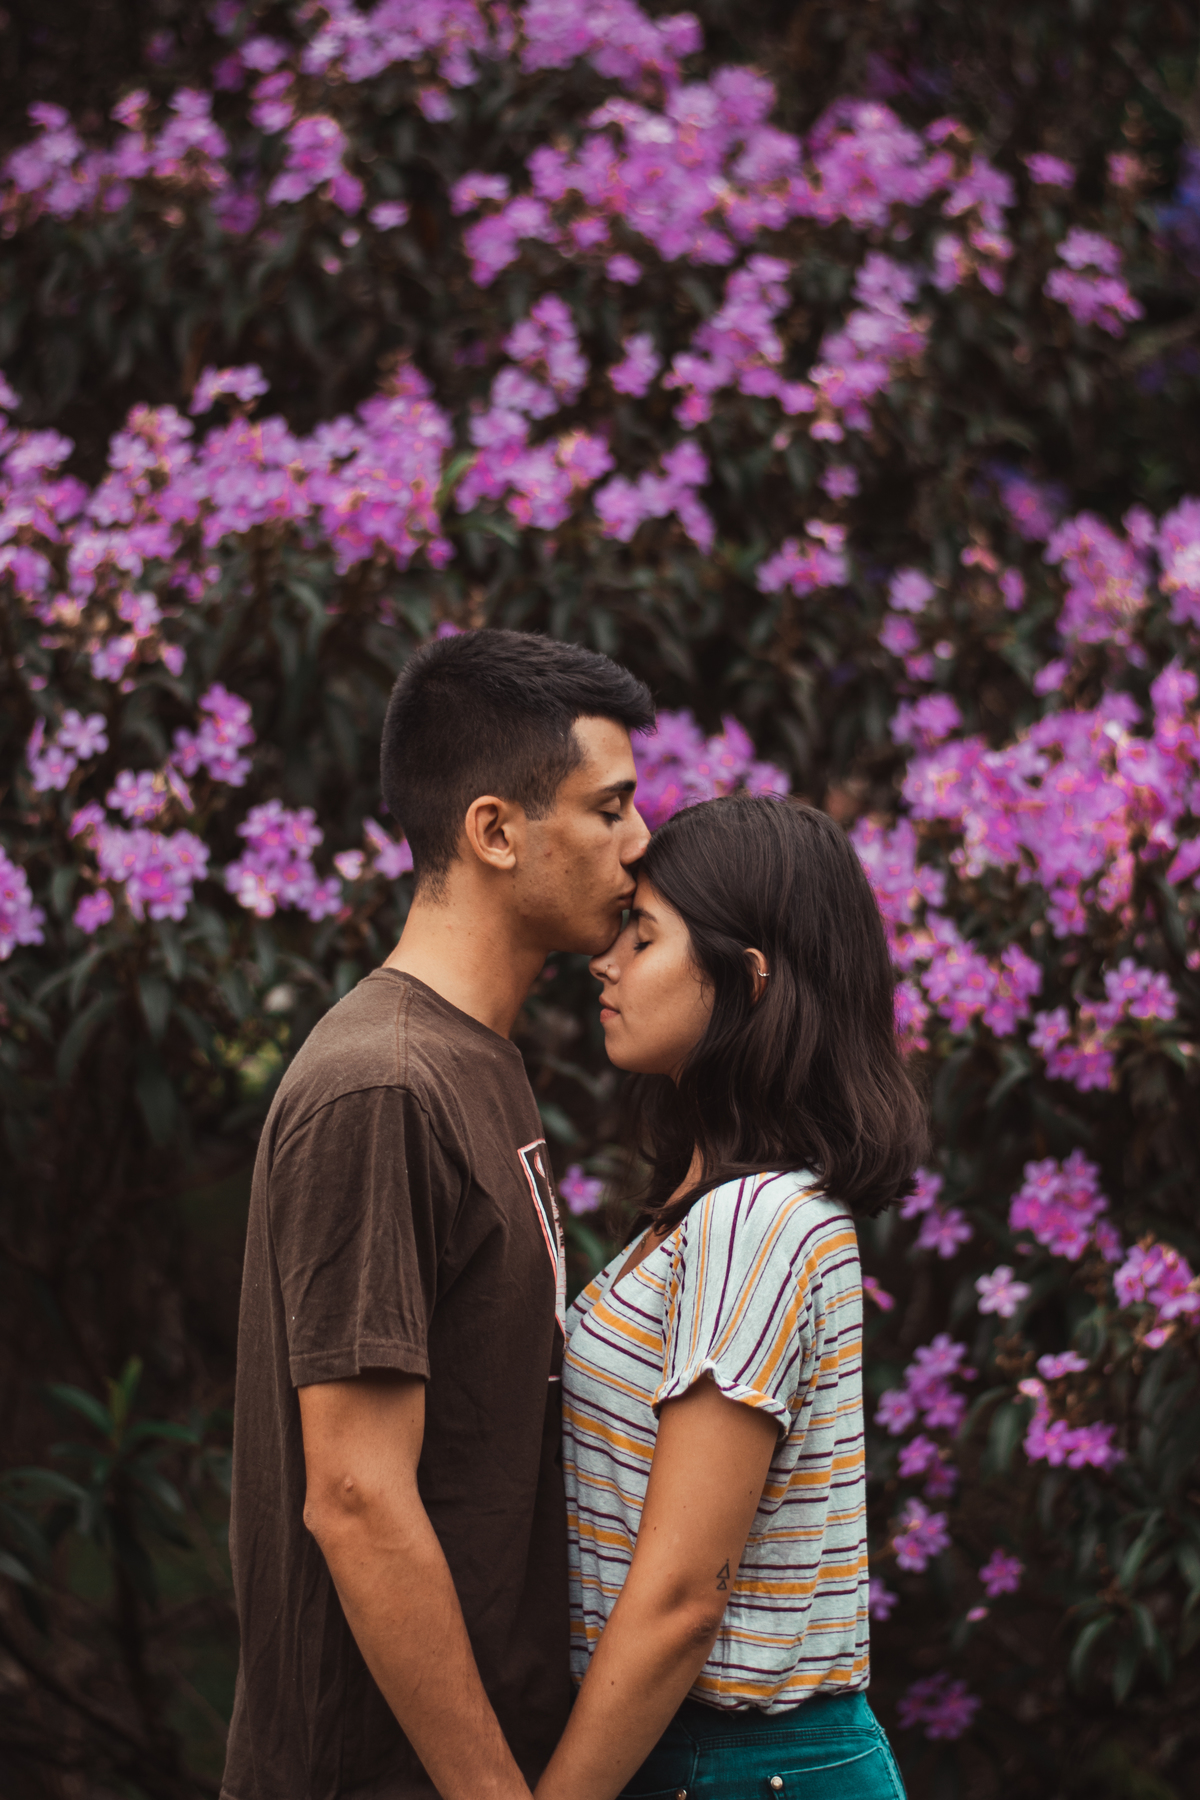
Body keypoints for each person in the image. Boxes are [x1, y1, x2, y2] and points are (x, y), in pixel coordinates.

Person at [220, 628, 654, 1800]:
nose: (639, 842)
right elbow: (356, 1496)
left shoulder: (475, 1066)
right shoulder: (383, 1084)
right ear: (496, 831)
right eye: (608, 808)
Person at [539, 794, 926, 1800]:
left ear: (743, 985)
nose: (606, 960)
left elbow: (679, 1599)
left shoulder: (753, 1221)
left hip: (746, 1767)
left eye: (645, 935)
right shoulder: (717, 1212)